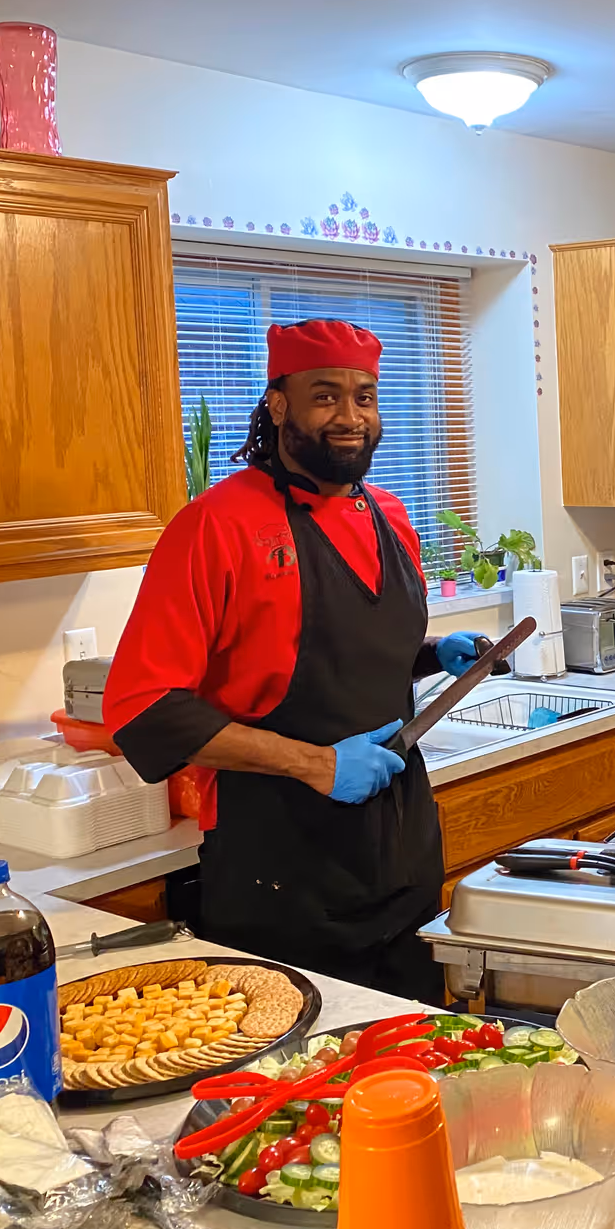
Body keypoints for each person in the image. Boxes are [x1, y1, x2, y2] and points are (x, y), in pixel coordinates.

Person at [106, 318, 488, 1000]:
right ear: (278, 403)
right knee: (304, 1086)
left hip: (402, 854)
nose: (350, 417)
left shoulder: (390, 515)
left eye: (364, 397)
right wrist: (317, 763)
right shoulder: (216, 526)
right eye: (326, 396)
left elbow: (329, 660)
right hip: (281, 871)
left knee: (419, 1064)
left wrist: (431, 656)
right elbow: (144, 708)